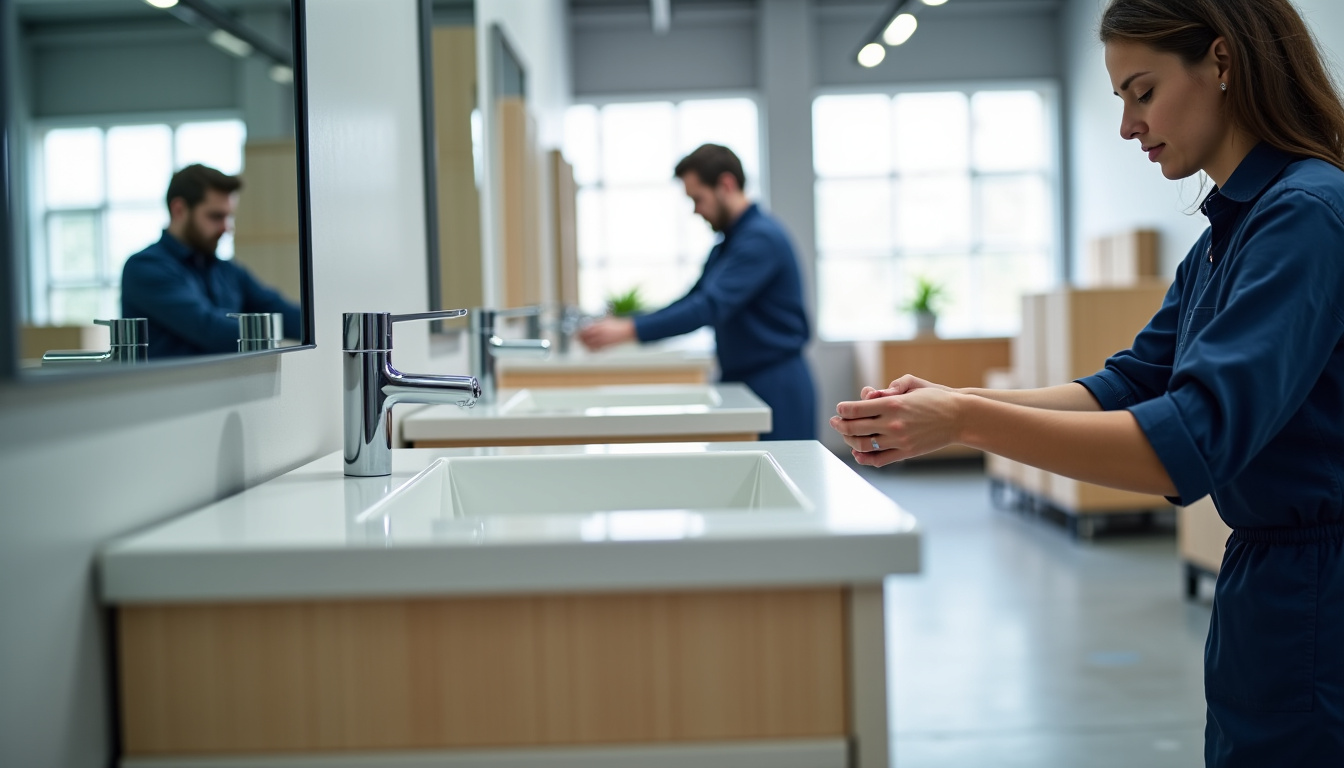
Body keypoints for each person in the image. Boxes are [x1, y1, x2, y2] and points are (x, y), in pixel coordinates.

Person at [832, 0, 1344, 763]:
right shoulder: (1227, 234)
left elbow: (1186, 442)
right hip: (1268, 589)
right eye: (1121, 101)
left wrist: (965, 423)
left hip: (1318, 593)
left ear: (1223, 62)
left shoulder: (1305, 215)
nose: (1128, 126)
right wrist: (953, 402)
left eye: (1142, 92)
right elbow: (1130, 384)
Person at [578, 144, 817, 440]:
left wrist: (630, 329)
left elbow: (708, 307)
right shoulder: (728, 244)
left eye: (698, 199)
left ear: (726, 185)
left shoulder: (760, 239)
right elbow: (692, 299)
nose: (695, 210)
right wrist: (630, 323)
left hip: (775, 383)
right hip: (744, 377)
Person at [121, 163, 301, 358]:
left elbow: (279, 310)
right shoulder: (145, 268)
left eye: (229, 217)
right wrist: (269, 334)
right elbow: (208, 328)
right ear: (179, 210)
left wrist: (326, 322)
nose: (226, 227)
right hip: (167, 388)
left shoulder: (227, 270)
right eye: (216, 216)